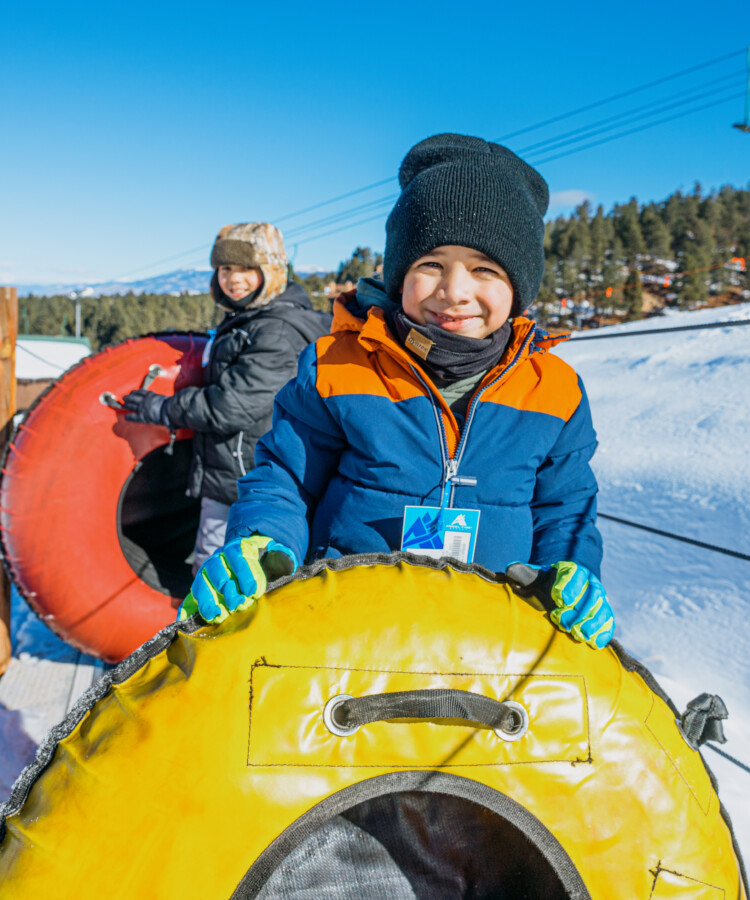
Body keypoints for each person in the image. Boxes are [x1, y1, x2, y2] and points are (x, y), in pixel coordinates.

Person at [180, 135, 615, 649]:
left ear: (518, 286)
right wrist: (263, 539)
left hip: (492, 645)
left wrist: (572, 569)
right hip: (344, 632)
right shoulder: (334, 366)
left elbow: (565, 508)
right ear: (398, 274)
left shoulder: (554, 390)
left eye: (485, 269)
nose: (454, 291)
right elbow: (286, 479)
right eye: (431, 263)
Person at [122, 222, 331, 574]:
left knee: (217, 571)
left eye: (247, 268)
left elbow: (230, 405)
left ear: (271, 270)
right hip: (237, 470)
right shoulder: (252, 320)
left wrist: (159, 407)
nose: (233, 279)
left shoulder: (275, 330)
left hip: (245, 478)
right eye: (225, 269)